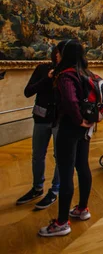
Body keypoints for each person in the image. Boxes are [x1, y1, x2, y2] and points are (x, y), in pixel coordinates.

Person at [39, 40, 94, 237]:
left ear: (66, 54)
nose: (57, 56)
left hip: (70, 128)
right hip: (85, 129)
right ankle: (82, 209)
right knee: (83, 166)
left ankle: (62, 222)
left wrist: (78, 120)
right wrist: (88, 122)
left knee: (66, 172)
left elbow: (70, 100)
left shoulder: (66, 75)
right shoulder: (87, 73)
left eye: (59, 52)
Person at [18, 45, 61, 209]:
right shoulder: (42, 69)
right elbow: (28, 91)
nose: (59, 57)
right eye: (58, 54)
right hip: (42, 118)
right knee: (37, 155)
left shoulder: (69, 73)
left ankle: (55, 190)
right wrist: (47, 79)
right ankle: (37, 188)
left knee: (59, 157)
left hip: (59, 120)